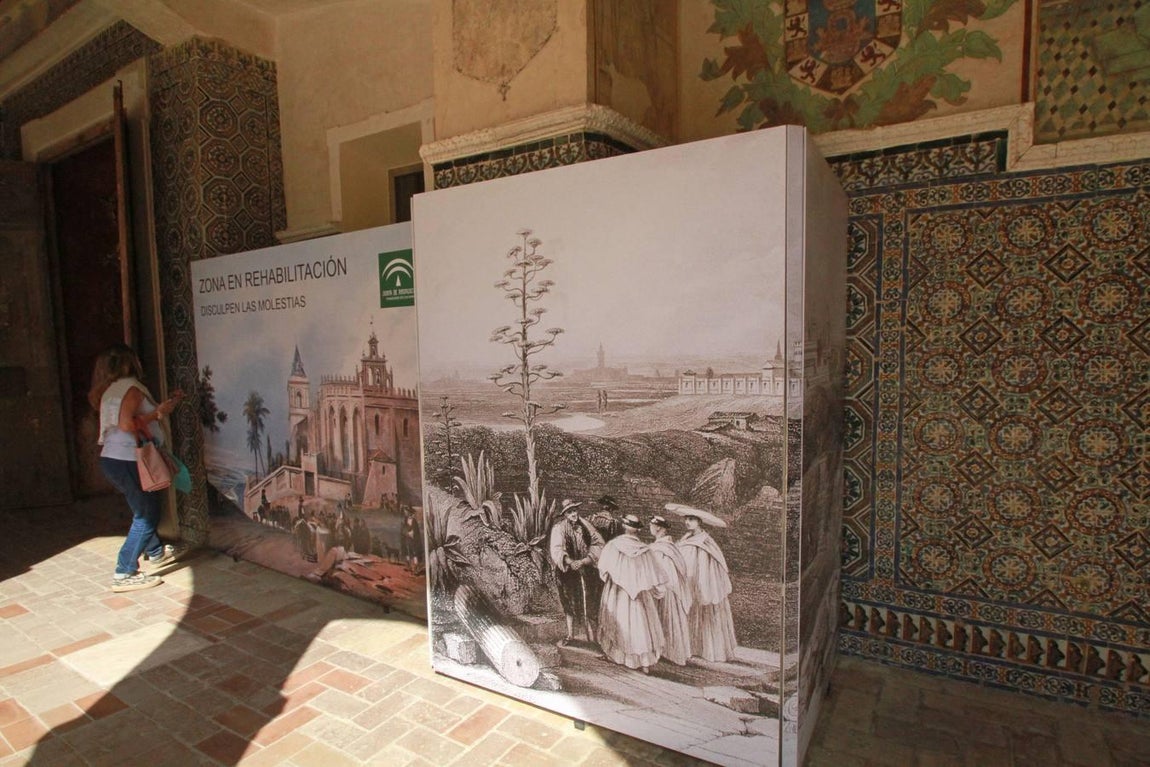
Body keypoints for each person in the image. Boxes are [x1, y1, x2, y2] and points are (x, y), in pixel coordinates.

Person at [89, 343, 188, 592]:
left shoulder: (110, 389)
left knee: (140, 507)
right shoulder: (131, 388)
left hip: (113, 459)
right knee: (147, 514)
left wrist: (164, 407)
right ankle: (124, 571)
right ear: (130, 363)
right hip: (129, 459)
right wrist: (156, 414)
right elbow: (126, 424)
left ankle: (155, 551)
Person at [596, 514, 665, 673]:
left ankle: (616, 656)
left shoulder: (613, 545)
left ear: (624, 527)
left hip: (617, 593)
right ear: (637, 530)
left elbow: (603, 570)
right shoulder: (645, 550)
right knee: (640, 623)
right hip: (639, 595)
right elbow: (654, 575)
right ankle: (645, 663)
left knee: (618, 621)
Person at [677, 514, 738, 662]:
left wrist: (702, 586)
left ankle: (708, 650)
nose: (687, 522)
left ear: (699, 522)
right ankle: (691, 647)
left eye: (691, 519)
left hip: (702, 584)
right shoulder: (686, 538)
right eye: (686, 519)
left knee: (704, 613)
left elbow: (706, 567)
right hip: (688, 583)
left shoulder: (705, 541)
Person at [548, 499, 605, 646]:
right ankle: (570, 635)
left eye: (574, 510)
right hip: (568, 571)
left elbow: (599, 544)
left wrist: (585, 560)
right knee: (569, 602)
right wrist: (570, 561)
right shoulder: (559, 528)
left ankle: (593, 638)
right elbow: (556, 549)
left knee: (591, 602)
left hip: (587, 568)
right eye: (569, 512)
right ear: (565, 515)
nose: (573, 514)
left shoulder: (586, 525)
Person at [648, 515, 693, 665]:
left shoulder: (663, 549)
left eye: (651, 525)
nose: (650, 528)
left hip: (666, 591)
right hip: (663, 589)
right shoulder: (666, 546)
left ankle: (669, 652)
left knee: (666, 619)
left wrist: (657, 587)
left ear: (658, 527)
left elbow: (667, 574)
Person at [400, 506, 421, 573]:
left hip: (413, 539)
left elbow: (416, 531)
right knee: (407, 551)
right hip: (406, 538)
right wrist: (405, 533)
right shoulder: (405, 520)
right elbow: (403, 529)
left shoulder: (414, 521)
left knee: (414, 552)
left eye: (406, 512)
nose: (405, 513)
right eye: (405, 512)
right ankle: (408, 566)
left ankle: (416, 567)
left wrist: (411, 533)